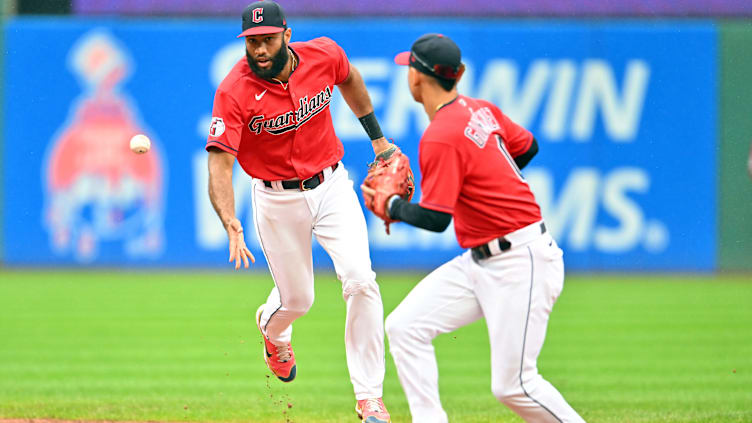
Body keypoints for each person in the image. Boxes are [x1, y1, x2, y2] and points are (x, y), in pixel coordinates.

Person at [370, 33, 586, 422]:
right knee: (405, 327)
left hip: (521, 260)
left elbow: (437, 220)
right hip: (482, 260)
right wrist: (489, 181)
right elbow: (528, 147)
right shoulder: (481, 109)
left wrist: (391, 206)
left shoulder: (440, 136)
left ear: (416, 78)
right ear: (460, 74)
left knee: (515, 386)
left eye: (409, 69)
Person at [206, 2, 393, 421]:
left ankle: (369, 398)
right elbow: (219, 161)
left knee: (361, 280)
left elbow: (350, 78)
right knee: (298, 300)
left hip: (331, 185)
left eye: (267, 39)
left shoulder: (323, 55)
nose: (259, 49)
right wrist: (230, 219)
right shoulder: (234, 90)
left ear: (286, 35)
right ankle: (273, 331)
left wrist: (379, 142)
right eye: (252, 42)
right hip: (276, 199)